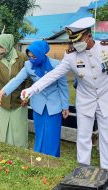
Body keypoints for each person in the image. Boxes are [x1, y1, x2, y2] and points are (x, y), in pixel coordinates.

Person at [21, 17, 108, 169]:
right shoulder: (70, 56)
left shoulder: (105, 48)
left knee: (106, 138)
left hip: (105, 99)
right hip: (85, 101)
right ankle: (83, 171)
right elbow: (52, 75)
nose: (75, 44)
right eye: (73, 40)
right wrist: (32, 89)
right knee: (83, 138)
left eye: (78, 40)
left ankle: (106, 172)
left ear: (88, 36)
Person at [0, 40, 69, 157]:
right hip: (38, 104)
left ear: (41, 54)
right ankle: (38, 156)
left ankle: (53, 158)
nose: (31, 59)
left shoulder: (57, 65)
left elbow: (63, 87)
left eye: (34, 56)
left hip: (54, 104)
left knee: (52, 133)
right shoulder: (28, 65)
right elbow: (16, 80)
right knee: (40, 133)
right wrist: (1, 94)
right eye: (29, 56)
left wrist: (65, 106)